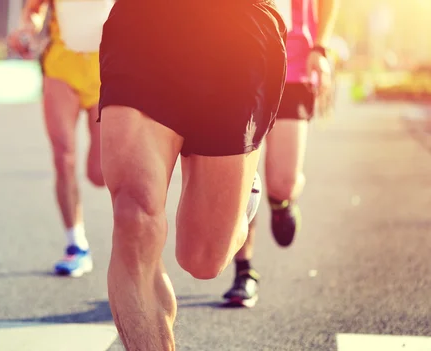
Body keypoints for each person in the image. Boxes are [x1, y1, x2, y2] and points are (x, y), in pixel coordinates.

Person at [99, 0, 287, 349]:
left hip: (237, 31)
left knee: (202, 259)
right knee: (133, 217)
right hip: (143, 25)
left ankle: (245, 190)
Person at [222, 0, 340, 308]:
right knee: (244, 176)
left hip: (296, 63)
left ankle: (281, 202)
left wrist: (321, 47)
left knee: (282, 182)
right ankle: (244, 272)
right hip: (241, 60)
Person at [10, 0, 110, 277]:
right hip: (61, 67)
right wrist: (28, 30)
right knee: (63, 156)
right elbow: (34, 9)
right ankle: (76, 244)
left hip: (107, 68)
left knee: (99, 174)